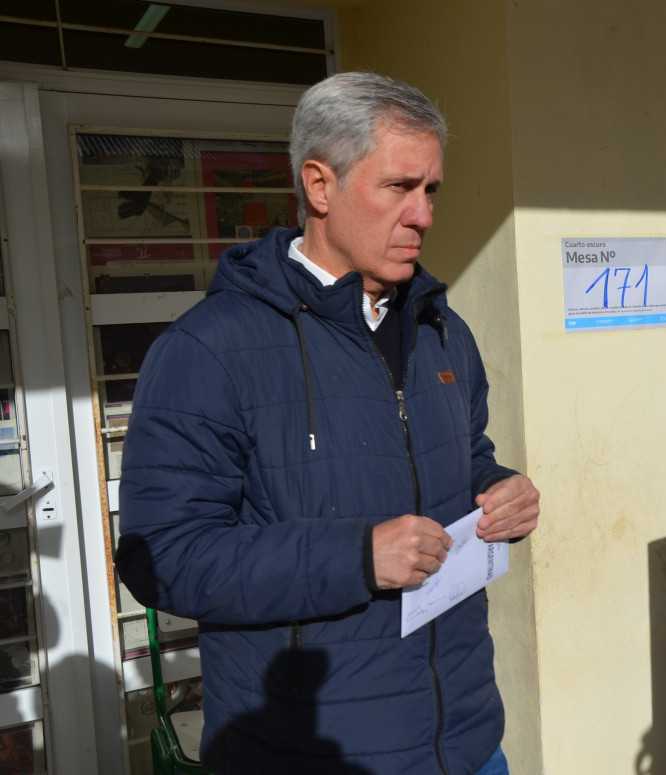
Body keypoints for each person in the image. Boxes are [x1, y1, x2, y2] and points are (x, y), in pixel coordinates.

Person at [114, 71, 539, 774]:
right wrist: (356, 556)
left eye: (431, 189)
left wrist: (499, 489)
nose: (424, 214)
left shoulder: (441, 330)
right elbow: (164, 557)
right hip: (309, 755)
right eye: (400, 187)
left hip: (467, 743)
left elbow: (464, 457)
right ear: (319, 185)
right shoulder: (208, 350)